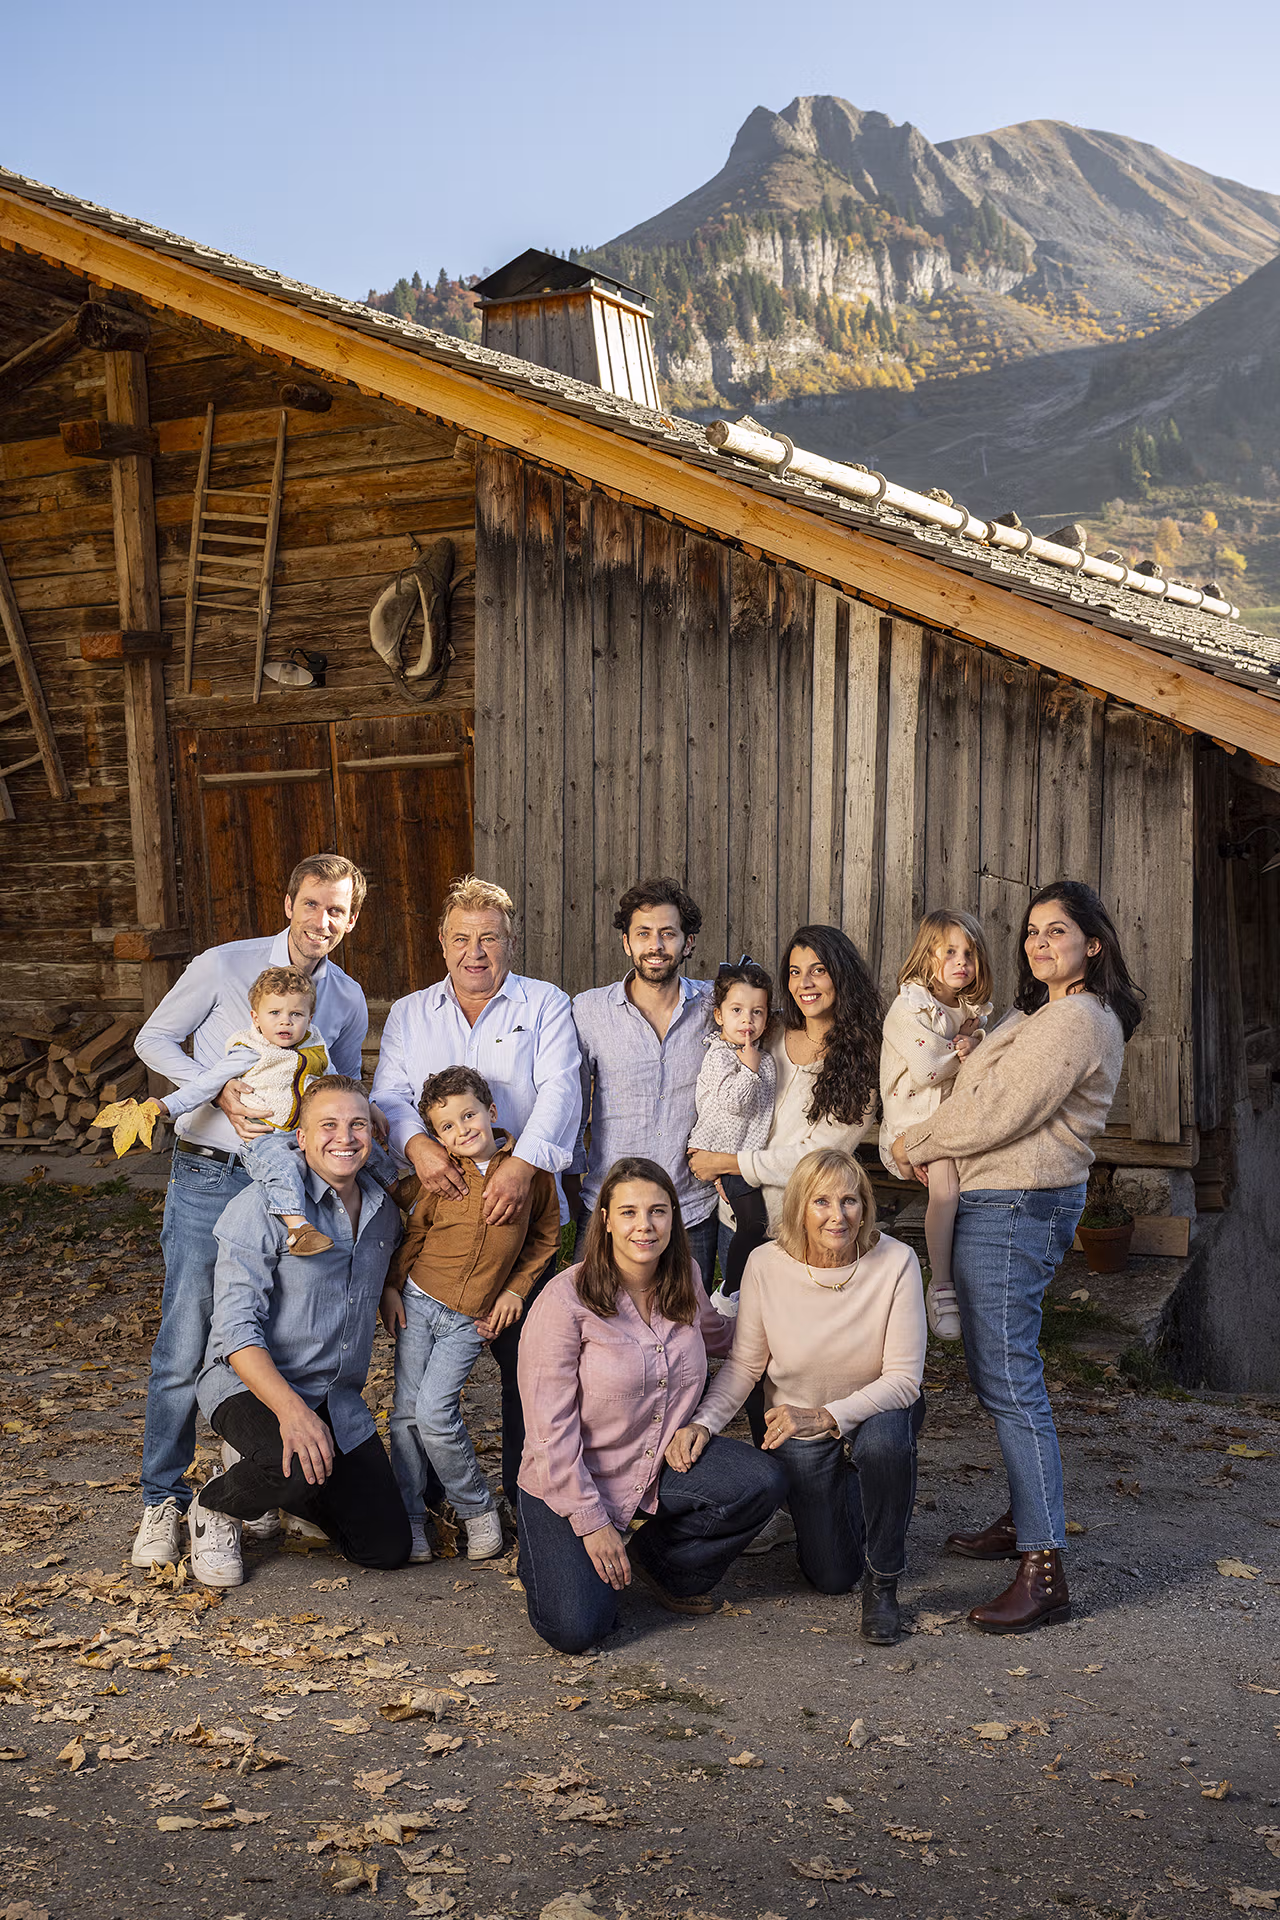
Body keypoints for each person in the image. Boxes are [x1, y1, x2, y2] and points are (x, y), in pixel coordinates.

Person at [892, 880, 1142, 1634]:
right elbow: (978, 1087)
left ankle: (1044, 1568)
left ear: (1092, 944)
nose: (1038, 943)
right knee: (996, 1373)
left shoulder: (1076, 1019)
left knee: (1011, 1382)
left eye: (1056, 931)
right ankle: (1025, 1514)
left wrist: (916, 1143)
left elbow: (999, 1110)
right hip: (1001, 1199)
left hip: (1016, 1206)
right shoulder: (1043, 1013)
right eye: (1032, 931)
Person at [130, 854, 369, 1571]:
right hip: (210, 1172)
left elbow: (333, 1089)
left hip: (286, 1184)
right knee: (186, 1337)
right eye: (312, 903)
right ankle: (161, 1498)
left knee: (278, 1332)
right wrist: (214, 1089)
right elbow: (152, 1039)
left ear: (351, 920)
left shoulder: (346, 997)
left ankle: (252, 1487)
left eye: (337, 910)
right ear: (289, 902)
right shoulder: (222, 966)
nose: (322, 919)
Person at [516, 1157, 787, 1654]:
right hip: (571, 1480)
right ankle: (547, 1552)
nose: (645, 1225)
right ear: (605, 1220)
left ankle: (660, 1563)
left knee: (759, 1481)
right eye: (629, 1212)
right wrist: (592, 1524)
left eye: (658, 1211)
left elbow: (720, 1336)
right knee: (578, 1628)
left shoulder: (685, 1275)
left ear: (673, 1218)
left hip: (658, 1462)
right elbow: (548, 1431)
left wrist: (792, 1318)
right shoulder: (564, 1299)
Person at [371, 874, 581, 1513]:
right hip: (440, 1217)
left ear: (511, 942)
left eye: (489, 938)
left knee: (529, 1367)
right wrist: (418, 1145)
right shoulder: (411, 1012)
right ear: (442, 942)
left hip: (520, 1214)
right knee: (422, 1380)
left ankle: (528, 1499)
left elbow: (562, 1090)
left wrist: (522, 1166)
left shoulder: (544, 1004)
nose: (475, 952)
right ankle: (431, 1504)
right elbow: (388, 1096)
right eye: (462, 938)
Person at [668, 1149, 926, 1644]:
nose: (838, 1215)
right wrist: (703, 1422)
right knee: (831, 1576)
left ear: (865, 1207)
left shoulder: (896, 1261)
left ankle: (884, 1582)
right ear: (799, 1208)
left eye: (849, 1200)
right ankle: (859, 1492)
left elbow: (903, 1380)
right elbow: (745, 1366)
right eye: (821, 1201)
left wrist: (826, 1416)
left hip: (876, 1407)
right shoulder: (766, 1264)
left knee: (884, 1445)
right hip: (795, 1419)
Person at [687, 923, 882, 1553]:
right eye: (795, 972)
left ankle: (822, 1490)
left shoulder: (859, 1058)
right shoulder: (769, 1034)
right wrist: (721, 1166)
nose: (804, 983)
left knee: (799, 1362)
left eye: (818, 970)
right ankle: (772, 1495)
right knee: (749, 1358)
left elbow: (817, 1154)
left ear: (841, 975)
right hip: (739, 1221)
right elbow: (734, 1104)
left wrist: (731, 1165)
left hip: (804, 1232)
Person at [190, 1076, 409, 1587]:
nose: (344, 1138)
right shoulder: (262, 1208)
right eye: (328, 1125)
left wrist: (390, 1285)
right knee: (284, 1464)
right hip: (249, 1383)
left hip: (335, 1396)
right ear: (302, 1138)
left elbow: (382, 1265)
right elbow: (236, 1330)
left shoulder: (384, 1212)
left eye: (357, 1125)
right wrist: (290, 1413)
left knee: (384, 1547)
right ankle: (217, 1505)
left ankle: (286, 1486)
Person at [381, 1067, 560, 1566]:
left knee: (435, 1414)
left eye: (469, 1115)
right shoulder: (442, 1176)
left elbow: (545, 1238)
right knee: (405, 1414)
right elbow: (416, 1233)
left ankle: (476, 1508)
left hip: (470, 1318)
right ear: (437, 1137)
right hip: (419, 1301)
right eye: (447, 1126)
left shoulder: (530, 1170)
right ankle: (411, 1516)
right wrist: (392, 1287)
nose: (462, 1130)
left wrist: (515, 1291)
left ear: (491, 1112)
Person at [122, 966, 334, 1254]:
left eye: (296, 1014)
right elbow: (207, 1084)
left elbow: (334, 1080)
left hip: (303, 1133)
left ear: (310, 1018)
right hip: (265, 1136)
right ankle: (299, 1229)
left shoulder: (315, 1046)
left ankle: (393, 1189)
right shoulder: (250, 1050)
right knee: (281, 1167)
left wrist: (359, 1108)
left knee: (362, 1148)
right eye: (274, 1013)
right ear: (256, 1019)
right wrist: (166, 1104)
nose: (285, 1021)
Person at [569, 879, 718, 1288]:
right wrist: (570, 1183)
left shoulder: (717, 1006)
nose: (656, 945)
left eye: (668, 933)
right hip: (608, 1206)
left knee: (688, 1320)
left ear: (687, 943)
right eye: (643, 933)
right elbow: (574, 1107)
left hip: (689, 1207)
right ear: (626, 943)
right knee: (590, 1314)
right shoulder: (589, 1010)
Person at [879, 911, 994, 1340]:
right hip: (913, 1123)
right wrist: (967, 1049)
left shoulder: (969, 1009)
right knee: (946, 1190)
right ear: (927, 956)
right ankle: (941, 1285)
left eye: (969, 953)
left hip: (952, 1118)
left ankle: (976, 1279)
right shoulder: (908, 1008)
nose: (961, 961)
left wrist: (976, 1040)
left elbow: (987, 1053)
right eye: (949, 952)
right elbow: (929, 1067)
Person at [687, 958, 776, 1309]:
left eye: (757, 1012)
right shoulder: (720, 1056)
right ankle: (729, 1293)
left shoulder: (761, 1056)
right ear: (719, 1015)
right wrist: (749, 1070)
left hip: (742, 1155)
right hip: (719, 1150)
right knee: (754, 1223)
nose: (747, 1020)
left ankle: (737, 1288)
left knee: (755, 1223)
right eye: (737, 1010)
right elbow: (735, 1103)